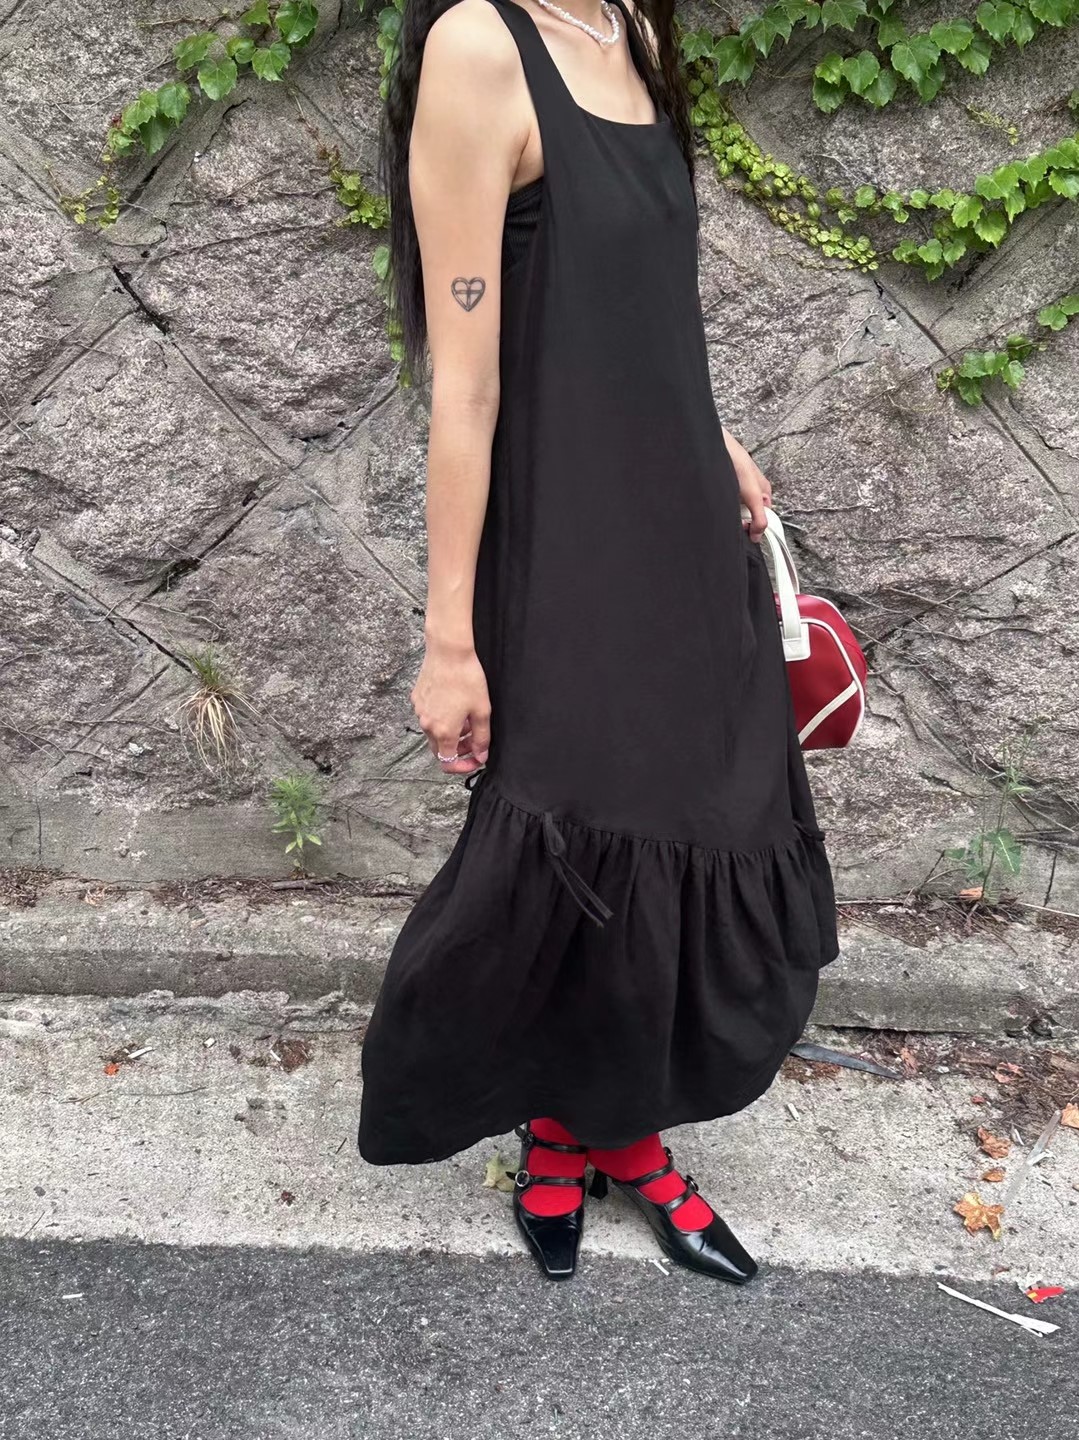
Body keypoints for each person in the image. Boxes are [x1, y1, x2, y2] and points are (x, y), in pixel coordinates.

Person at [356, 0, 839, 1283]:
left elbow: (638, 302)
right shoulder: (479, 46)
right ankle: (596, 1135)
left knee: (692, 816)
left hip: (679, 520)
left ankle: (592, 1128)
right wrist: (448, 639)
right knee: (579, 833)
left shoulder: (630, 26)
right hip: (566, 537)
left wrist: (711, 435)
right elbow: (467, 384)